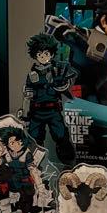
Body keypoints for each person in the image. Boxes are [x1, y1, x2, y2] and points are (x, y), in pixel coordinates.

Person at [19, 32, 76, 163]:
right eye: (40, 54)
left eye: (46, 53)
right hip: (36, 112)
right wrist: (25, 115)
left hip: (53, 111)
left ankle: (68, 162)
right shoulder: (32, 75)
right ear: (35, 55)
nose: (43, 57)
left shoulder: (58, 70)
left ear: (51, 54)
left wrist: (61, 83)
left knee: (61, 136)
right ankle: (35, 164)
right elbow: (27, 96)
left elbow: (67, 87)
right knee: (35, 139)